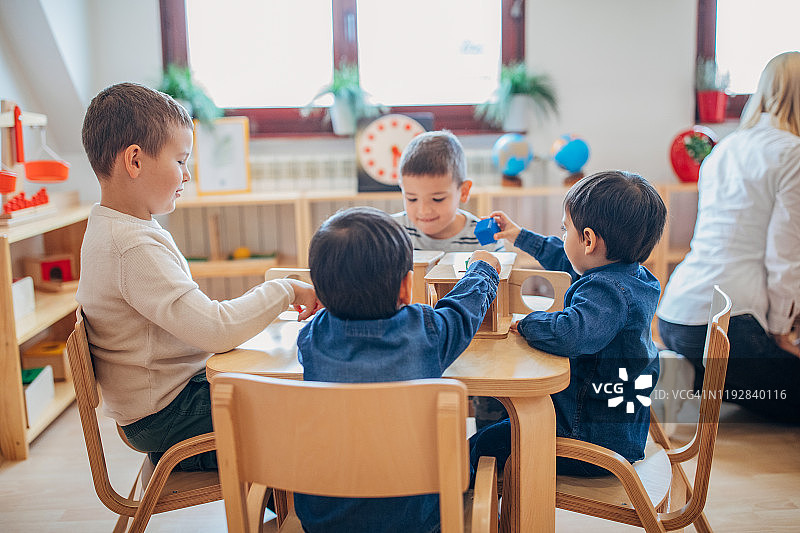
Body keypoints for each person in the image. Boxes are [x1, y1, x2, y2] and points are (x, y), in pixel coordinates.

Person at [77, 82, 321, 470]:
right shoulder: (132, 247)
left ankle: (288, 503)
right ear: (135, 162)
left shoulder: (114, 228)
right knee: (295, 406)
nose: (187, 175)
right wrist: (284, 289)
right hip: (169, 414)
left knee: (276, 386)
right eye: (180, 161)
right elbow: (215, 330)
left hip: (162, 404)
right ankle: (308, 507)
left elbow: (202, 324)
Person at [294, 206, 501, 533]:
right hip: (417, 520)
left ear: (320, 291)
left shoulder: (313, 336)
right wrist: (483, 270)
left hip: (322, 521)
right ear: (406, 288)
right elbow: (464, 310)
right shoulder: (426, 331)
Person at [469, 170, 667, 477]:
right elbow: (568, 262)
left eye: (565, 231)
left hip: (591, 441)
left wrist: (526, 323)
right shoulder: (629, 275)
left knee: (483, 445)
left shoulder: (607, 294)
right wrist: (519, 236)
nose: (563, 239)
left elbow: (570, 333)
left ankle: (458, 509)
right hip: (611, 426)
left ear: (588, 240)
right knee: (499, 430)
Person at [657, 51, 800, 423]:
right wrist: (783, 333)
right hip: (729, 327)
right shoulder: (793, 153)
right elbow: (785, 256)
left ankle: (695, 382)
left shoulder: (725, 148)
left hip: (676, 317)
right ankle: (711, 383)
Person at [392, 130, 504, 252]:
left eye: (437, 199)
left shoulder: (486, 239)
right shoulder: (392, 232)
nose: (424, 211)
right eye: (412, 199)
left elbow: (501, 270)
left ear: (464, 191)